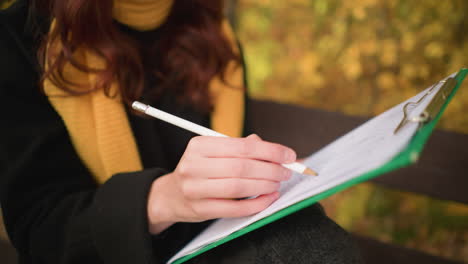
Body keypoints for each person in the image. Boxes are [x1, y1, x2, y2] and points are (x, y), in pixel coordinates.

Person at [0, 0, 363, 263]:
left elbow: (235, 152)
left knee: (305, 233)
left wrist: (264, 177)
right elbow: (40, 229)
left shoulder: (213, 30)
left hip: (215, 245)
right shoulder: (20, 37)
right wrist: (162, 200)